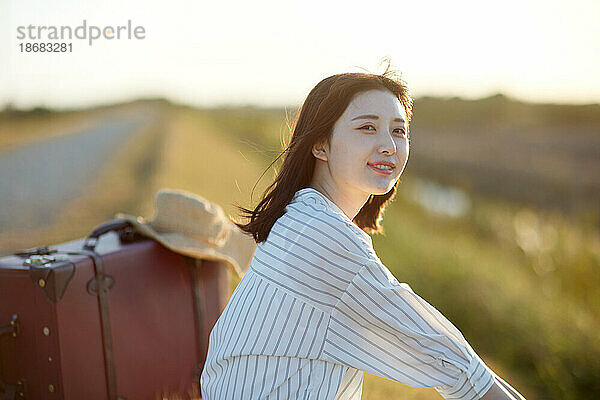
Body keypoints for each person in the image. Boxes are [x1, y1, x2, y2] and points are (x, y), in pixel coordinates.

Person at [200, 68, 525, 399]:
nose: (388, 146)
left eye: (399, 131)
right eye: (367, 127)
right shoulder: (320, 236)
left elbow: (455, 361)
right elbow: (444, 357)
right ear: (320, 145)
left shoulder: (301, 217)